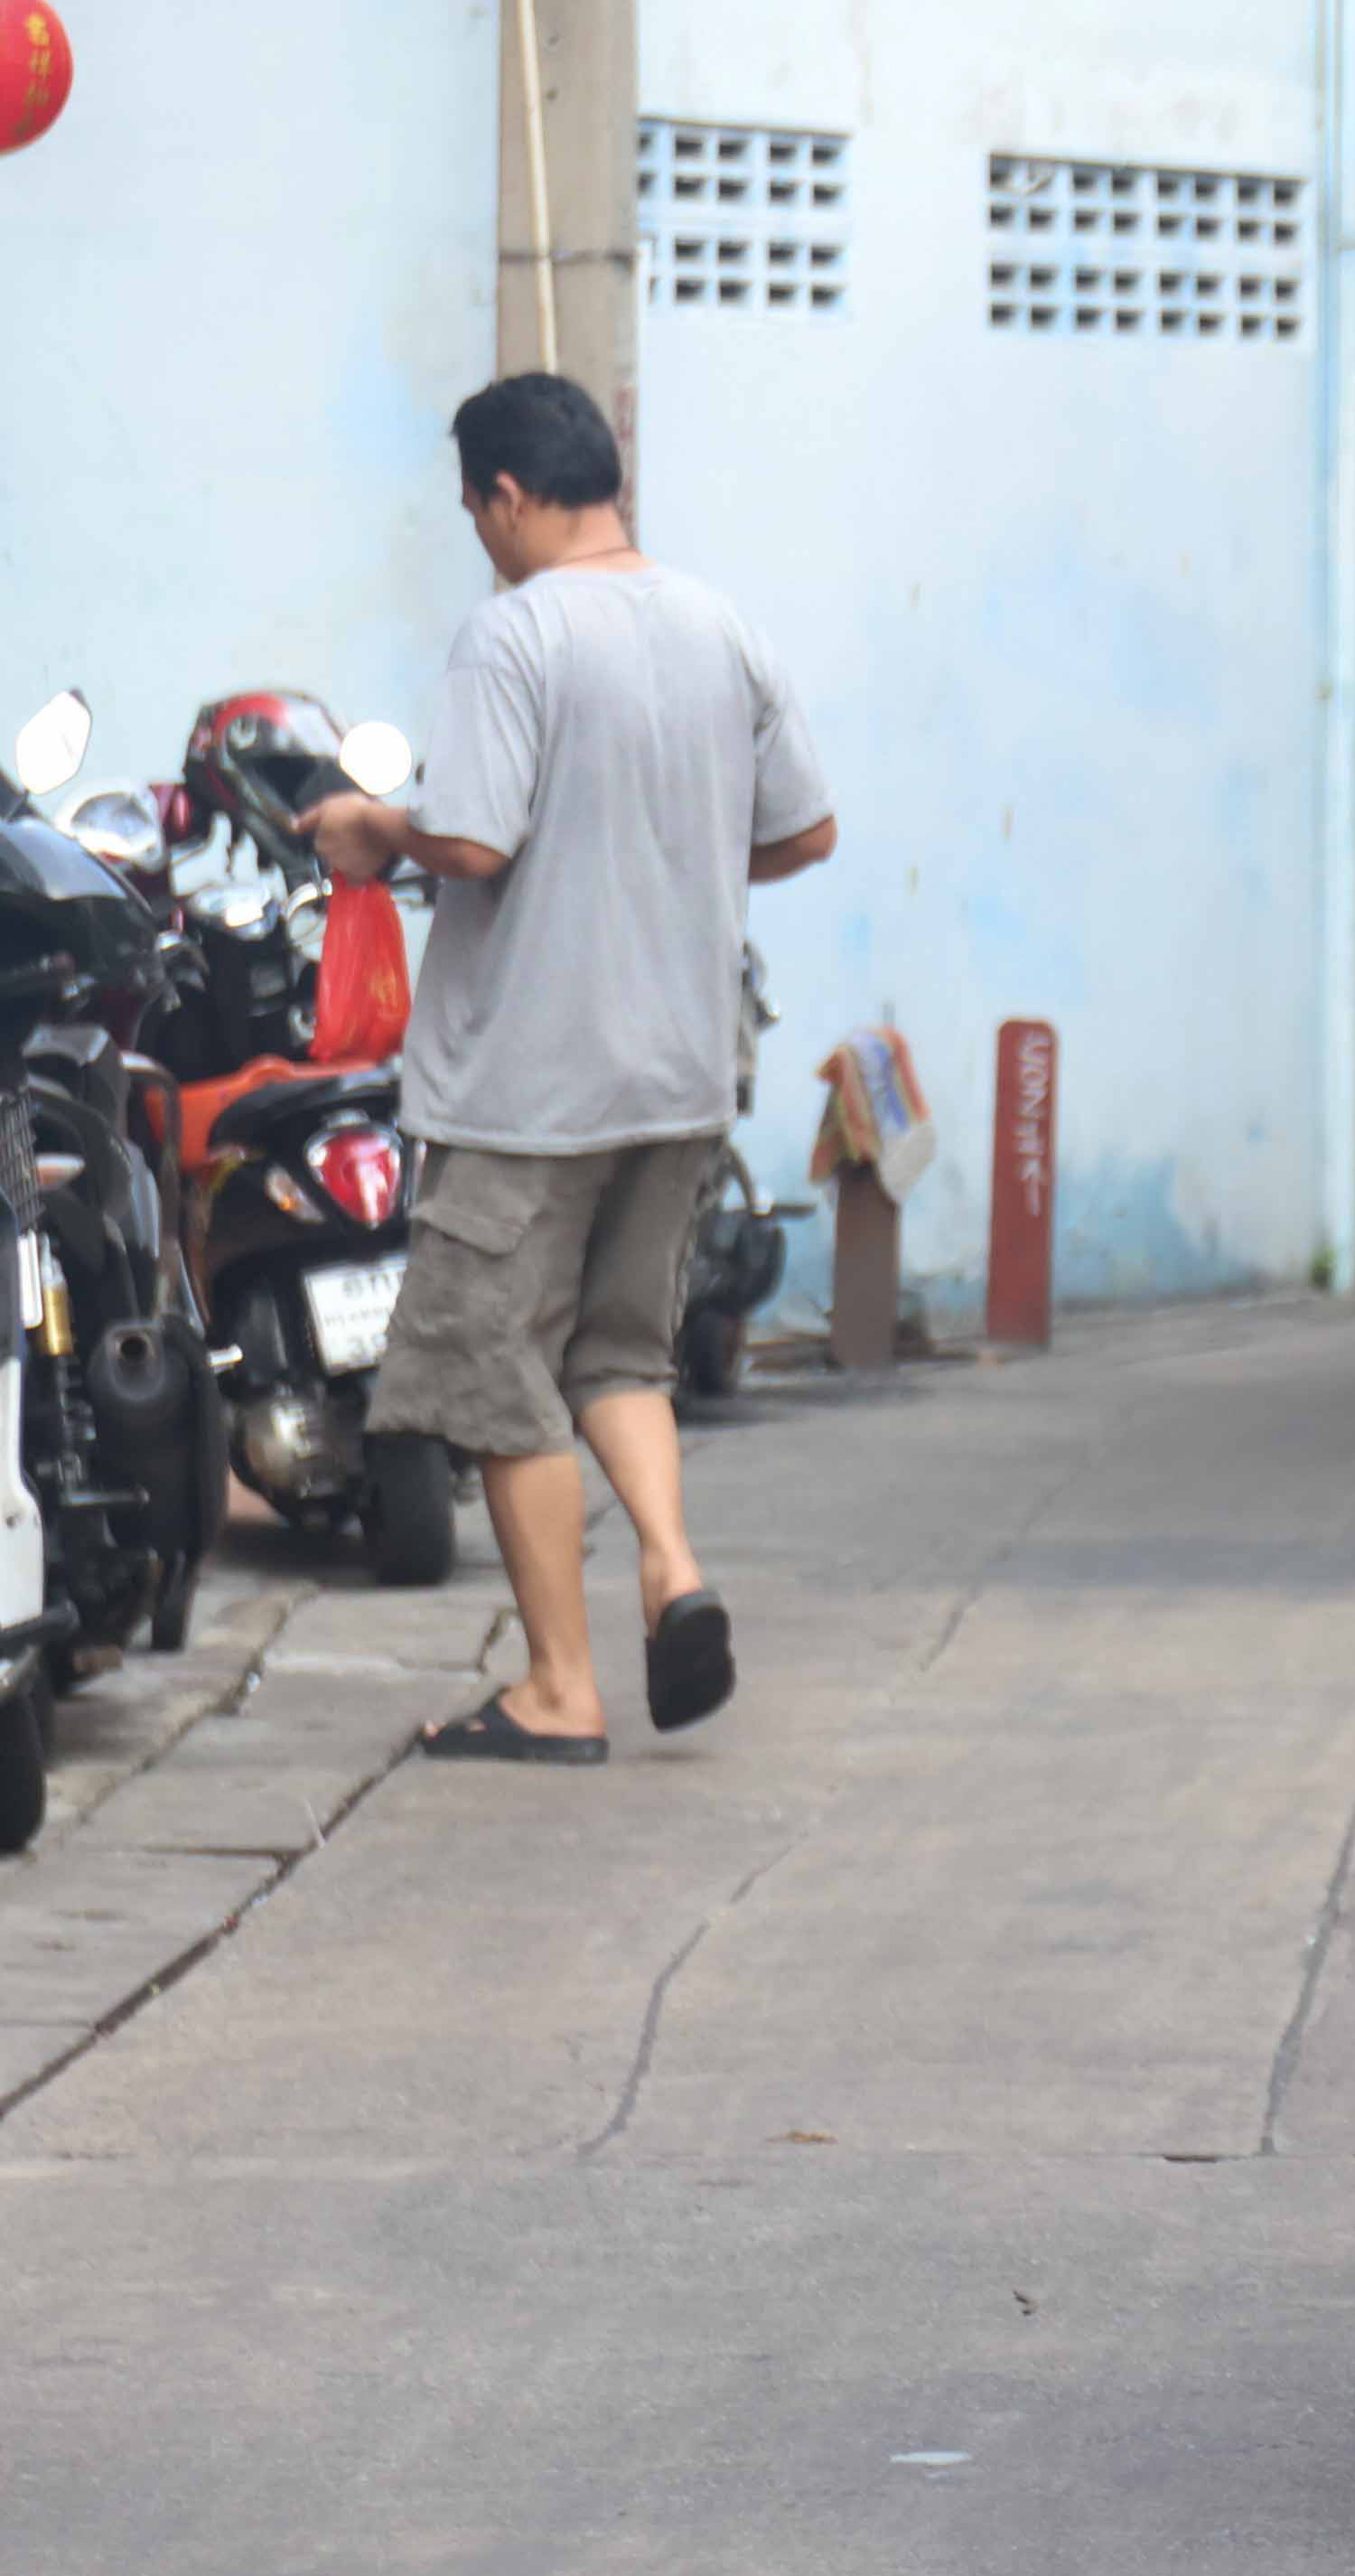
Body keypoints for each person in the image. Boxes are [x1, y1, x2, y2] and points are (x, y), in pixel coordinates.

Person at [296, 371, 836, 1765]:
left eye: (480, 510)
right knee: (618, 1350)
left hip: (531, 1086)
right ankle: (670, 1563)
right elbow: (803, 833)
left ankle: (557, 1685)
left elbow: (470, 841)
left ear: (509, 497)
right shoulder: (719, 625)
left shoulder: (515, 634)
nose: (484, 534)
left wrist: (371, 824)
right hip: (680, 1072)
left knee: (490, 1369)